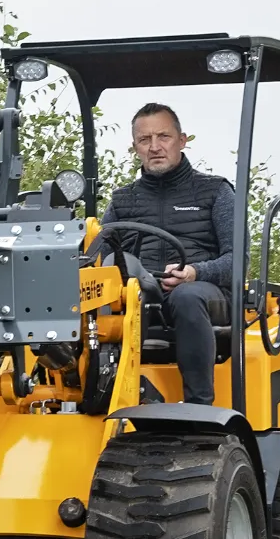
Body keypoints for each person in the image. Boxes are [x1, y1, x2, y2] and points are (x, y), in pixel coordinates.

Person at [99, 103, 238, 406]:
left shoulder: (215, 191)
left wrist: (195, 272)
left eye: (164, 137)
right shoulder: (123, 201)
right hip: (142, 290)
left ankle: (199, 407)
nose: (155, 147)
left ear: (182, 139)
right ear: (134, 147)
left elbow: (237, 261)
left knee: (186, 297)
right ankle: (99, 399)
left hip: (205, 292)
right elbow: (99, 258)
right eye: (144, 140)